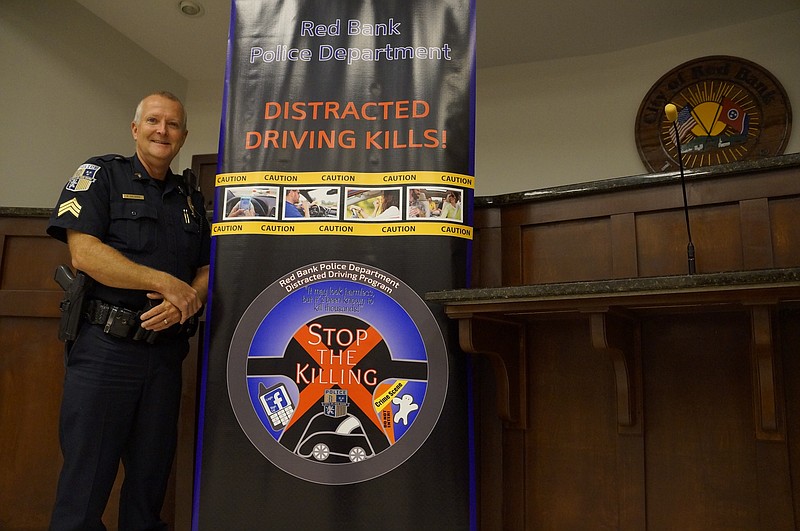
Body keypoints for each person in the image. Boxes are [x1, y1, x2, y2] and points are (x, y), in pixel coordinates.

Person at [46, 91, 211, 531]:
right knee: (84, 490)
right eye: (154, 121)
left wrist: (188, 299)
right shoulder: (101, 175)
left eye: (173, 124)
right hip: (106, 353)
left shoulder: (191, 198)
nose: (163, 131)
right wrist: (165, 284)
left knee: (148, 488)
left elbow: (209, 266)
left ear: (184, 136)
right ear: (135, 128)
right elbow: (85, 253)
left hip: (164, 357)